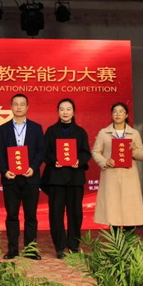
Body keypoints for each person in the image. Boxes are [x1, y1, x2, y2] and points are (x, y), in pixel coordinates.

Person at [0, 93, 45, 260]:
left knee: (31, 216)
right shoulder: (3, 129)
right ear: (11, 107)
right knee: (12, 215)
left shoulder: (36, 128)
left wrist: (33, 167)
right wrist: (4, 170)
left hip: (30, 178)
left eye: (22, 104)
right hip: (11, 178)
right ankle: (13, 249)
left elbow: (41, 151)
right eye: (15, 104)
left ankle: (30, 250)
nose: (19, 107)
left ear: (27, 107)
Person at [42, 98, 91, 259]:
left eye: (68, 109)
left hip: (75, 178)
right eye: (62, 109)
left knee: (75, 213)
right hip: (55, 178)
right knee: (56, 213)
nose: (65, 112)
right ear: (58, 112)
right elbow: (45, 152)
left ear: (73, 112)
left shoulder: (80, 132)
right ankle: (60, 246)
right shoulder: (51, 131)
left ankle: (74, 245)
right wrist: (54, 160)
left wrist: (79, 161)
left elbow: (86, 152)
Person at [91, 102, 143, 229]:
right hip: (111, 176)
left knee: (129, 213)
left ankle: (128, 241)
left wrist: (133, 150)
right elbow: (95, 152)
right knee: (112, 212)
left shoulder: (134, 133)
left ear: (126, 115)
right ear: (111, 115)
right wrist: (105, 161)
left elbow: (142, 155)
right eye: (115, 111)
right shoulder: (104, 132)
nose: (118, 114)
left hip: (129, 177)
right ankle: (115, 241)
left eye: (121, 111)